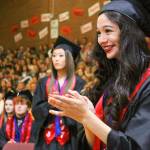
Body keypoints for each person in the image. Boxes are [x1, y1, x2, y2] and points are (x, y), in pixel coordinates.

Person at [48, 0, 150, 150]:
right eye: (98, 33)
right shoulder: (112, 82)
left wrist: (87, 117)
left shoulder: (147, 83)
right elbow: (92, 144)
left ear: (129, 33)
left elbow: (136, 146)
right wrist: (89, 118)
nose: (101, 40)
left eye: (108, 31)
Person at [32, 36, 85, 150]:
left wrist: (63, 104)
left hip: (70, 138)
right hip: (47, 140)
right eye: (54, 56)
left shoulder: (80, 83)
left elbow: (82, 112)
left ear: (69, 58)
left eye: (61, 56)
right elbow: (36, 110)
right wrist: (51, 103)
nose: (56, 59)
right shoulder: (43, 83)